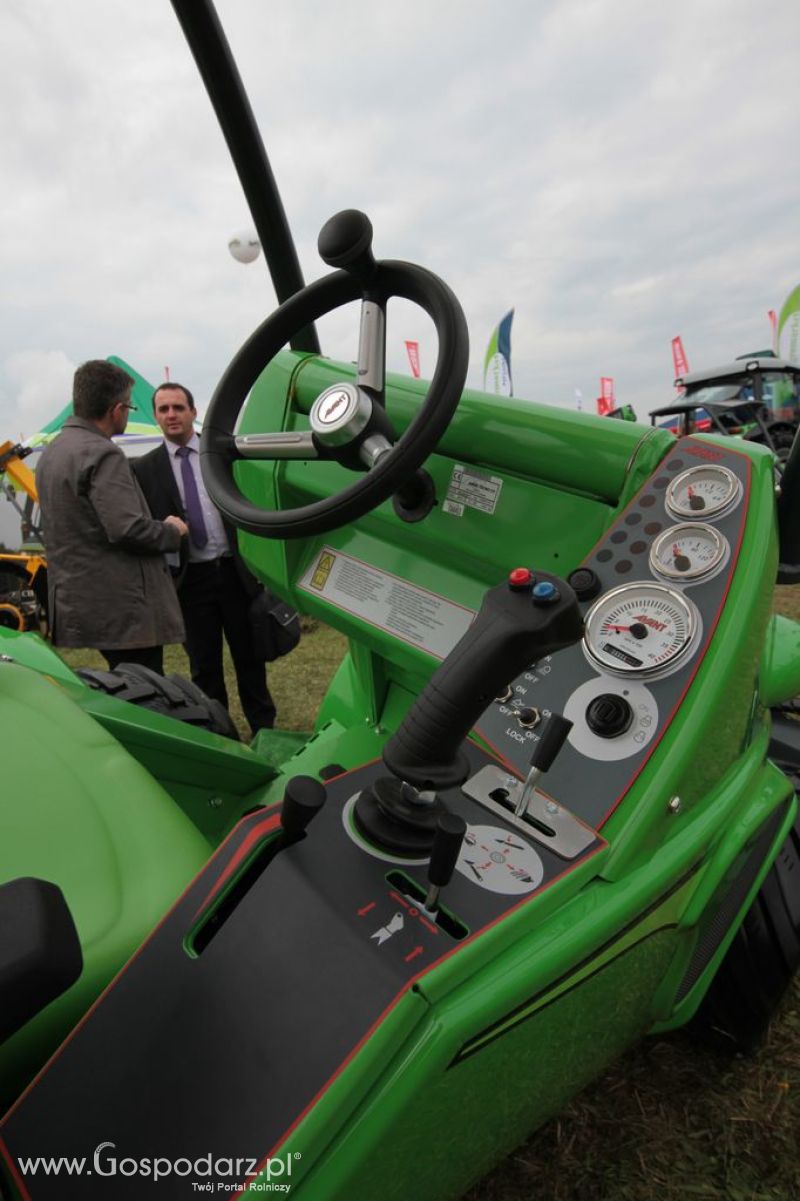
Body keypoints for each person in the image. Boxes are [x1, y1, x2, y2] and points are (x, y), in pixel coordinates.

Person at [133, 382, 276, 734]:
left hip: (234, 573)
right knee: (204, 668)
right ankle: (221, 736)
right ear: (156, 416)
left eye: (178, 408)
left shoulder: (221, 454)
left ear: (194, 412)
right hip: (189, 581)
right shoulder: (144, 469)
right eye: (164, 409)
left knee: (250, 660)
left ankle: (266, 732)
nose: (171, 415)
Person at [35, 360, 187, 672]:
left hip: (81, 603)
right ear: (116, 409)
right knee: (145, 693)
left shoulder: (53, 451)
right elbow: (127, 528)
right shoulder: (103, 452)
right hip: (123, 611)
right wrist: (172, 531)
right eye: (130, 407)